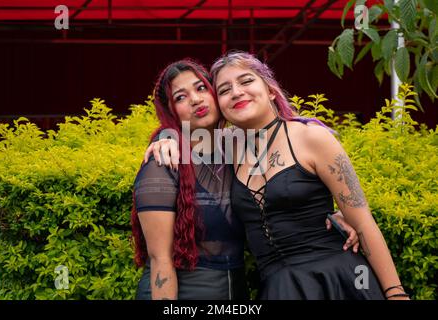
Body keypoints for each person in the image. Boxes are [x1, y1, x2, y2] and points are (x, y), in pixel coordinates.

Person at [133, 59, 360, 300]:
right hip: (181, 293)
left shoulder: (238, 149)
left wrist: (332, 214)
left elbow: (282, 195)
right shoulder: (165, 160)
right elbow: (160, 259)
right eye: (180, 97)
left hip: (235, 292)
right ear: (171, 112)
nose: (196, 99)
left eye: (201, 88)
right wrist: (165, 135)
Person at [206, 51, 409, 300]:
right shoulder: (224, 148)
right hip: (279, 288)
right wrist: (163, 140)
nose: (236, 92)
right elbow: (181, 129)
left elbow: (363, 221)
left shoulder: (311, 137)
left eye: (246, 81)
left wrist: (395, 294)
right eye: (224, 90)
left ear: (270, 90)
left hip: (338, 279)